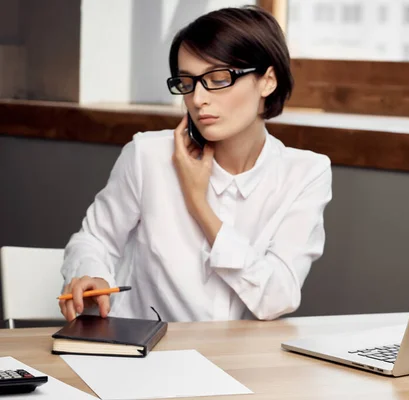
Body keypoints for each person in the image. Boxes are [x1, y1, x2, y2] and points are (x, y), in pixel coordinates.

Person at [58, 6, 332, 323]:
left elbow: (277, 299)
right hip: (145, 357)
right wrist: (92, 275)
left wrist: (198, 204)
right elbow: (94, 240)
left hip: (241, 365)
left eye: (217, 79)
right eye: (187, 83)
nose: (198, 98)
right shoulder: (149, 155)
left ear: (267, 81)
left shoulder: (305, 174)